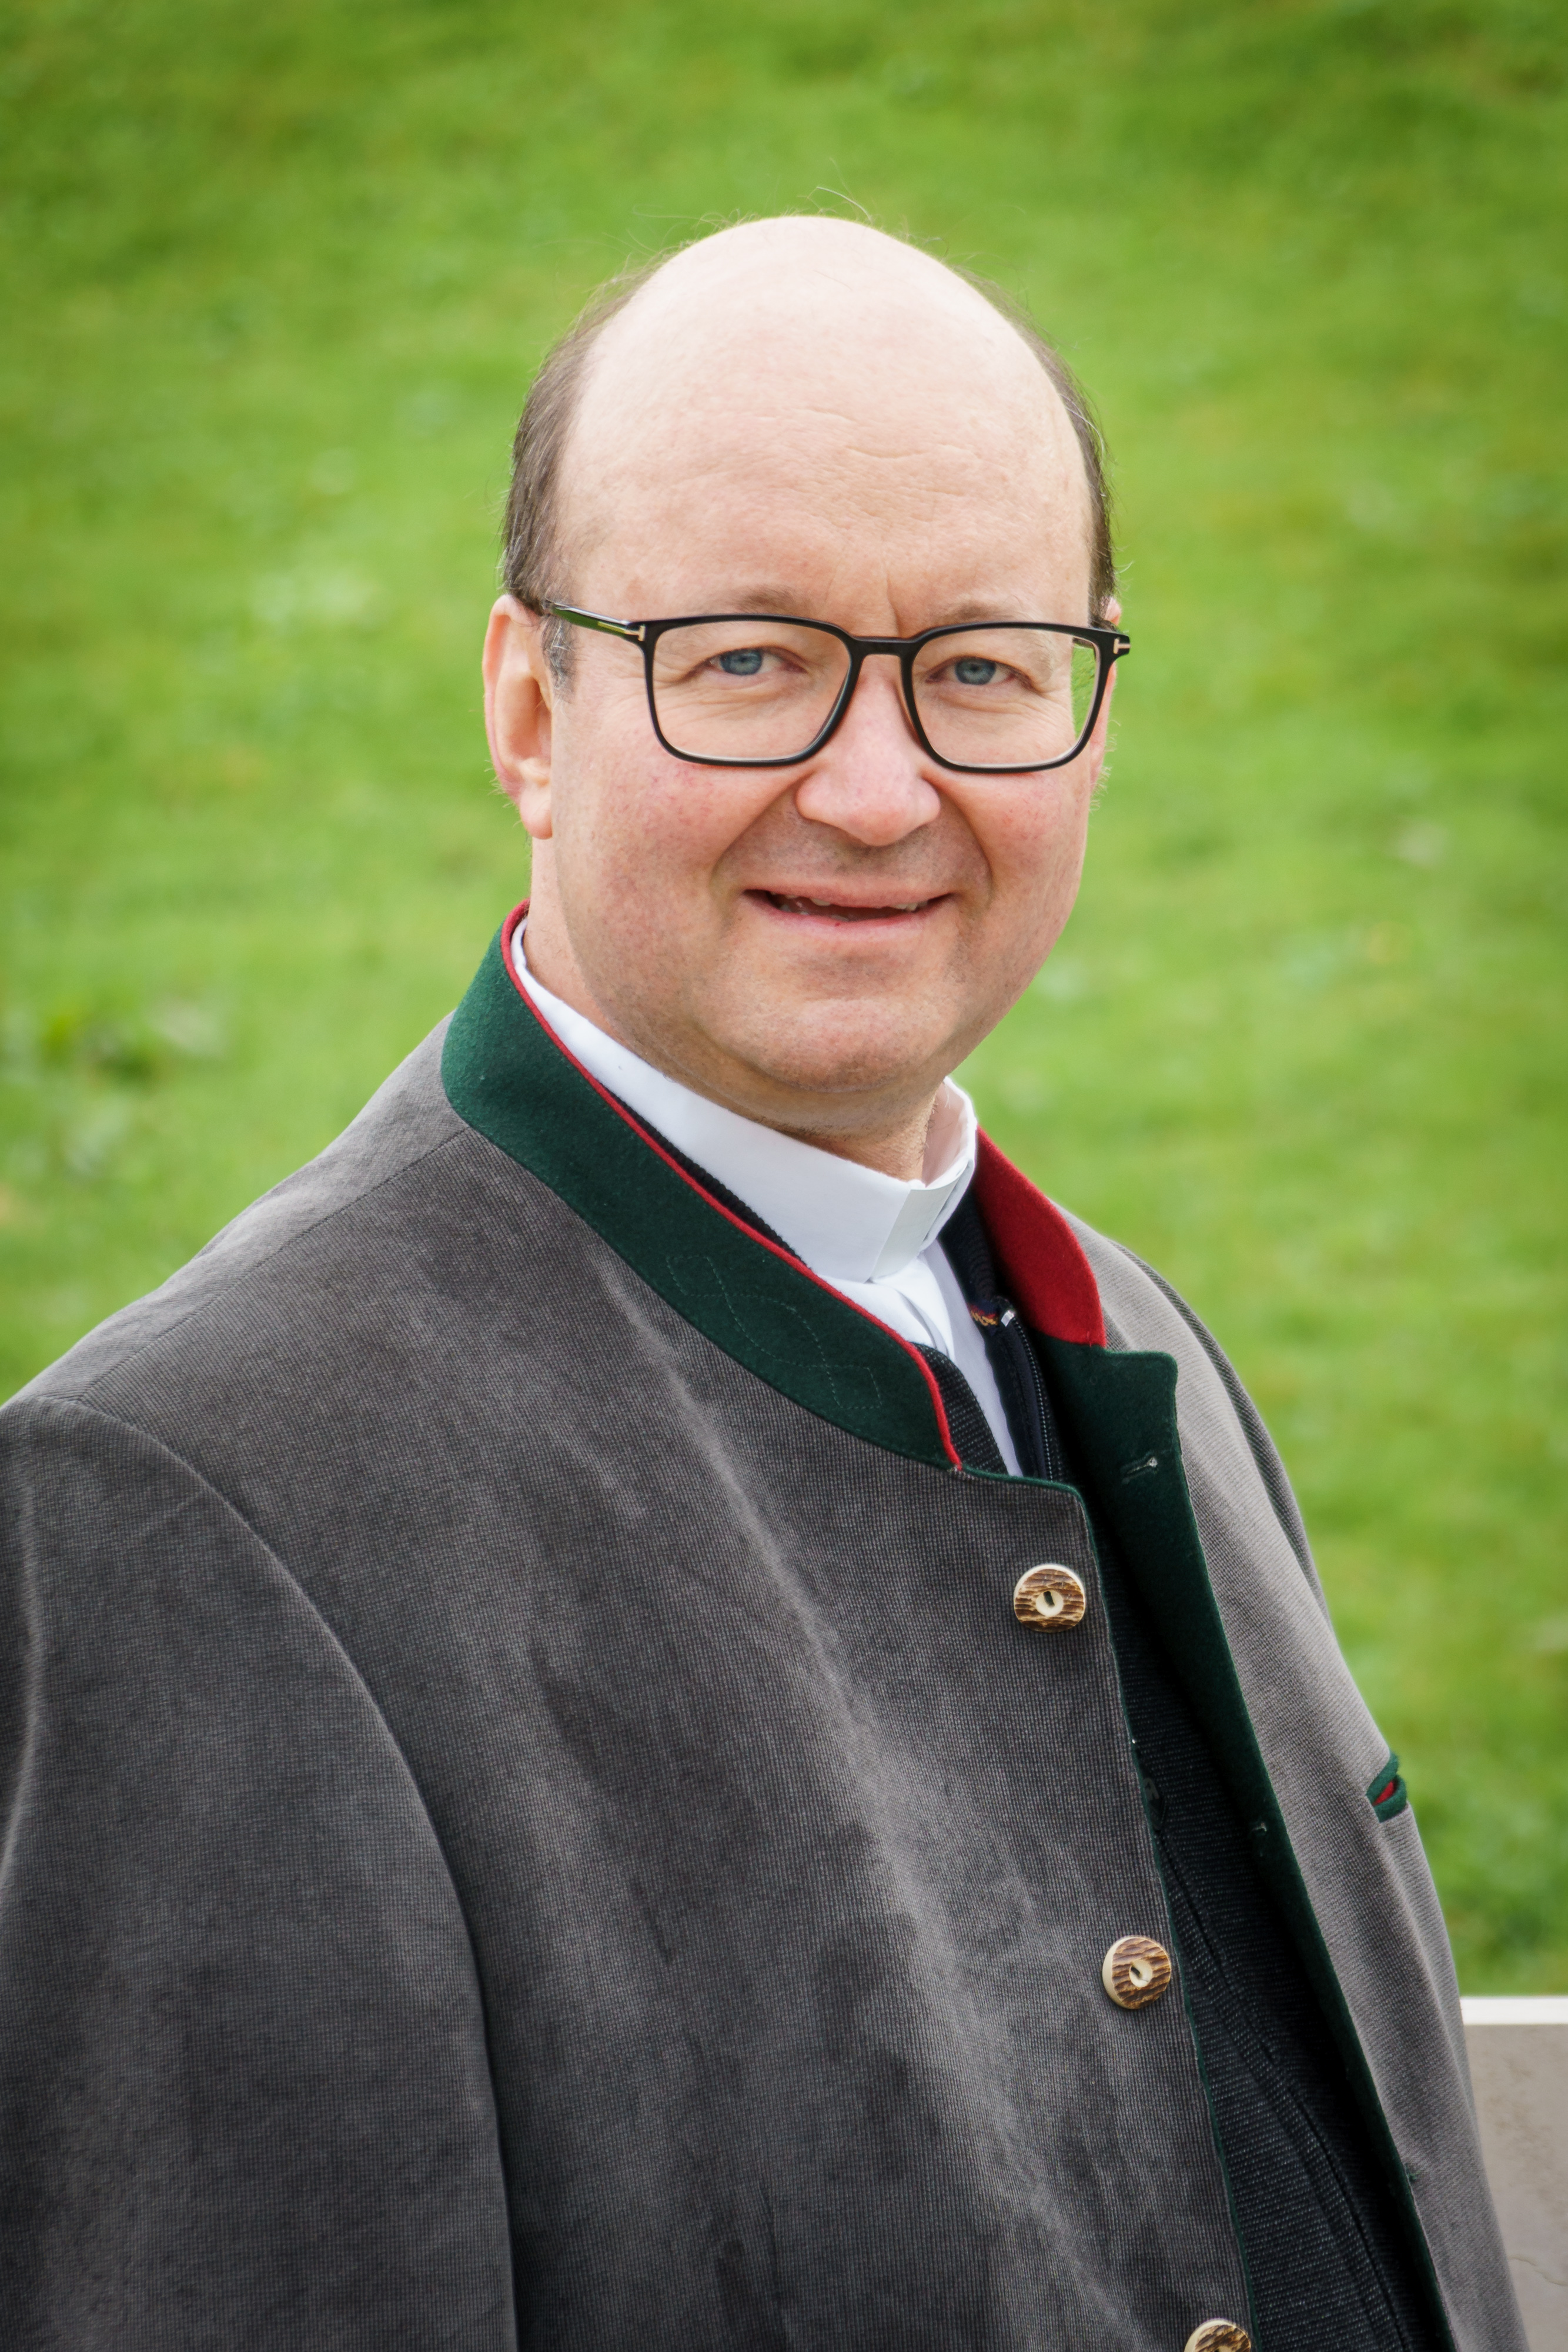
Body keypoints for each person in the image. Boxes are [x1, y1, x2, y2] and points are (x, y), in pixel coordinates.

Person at [0, 217, 1522, 2352]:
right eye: (746, 659)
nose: (879, 793)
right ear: (530, 710)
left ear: (1091, 710)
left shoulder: (1130, 1333)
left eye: (980, 666)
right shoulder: (190, 1498)